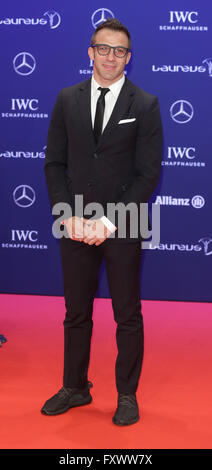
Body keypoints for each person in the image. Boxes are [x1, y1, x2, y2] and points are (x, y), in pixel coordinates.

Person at [41, 18, 163, 426]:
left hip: (122, 224)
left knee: (126, 313)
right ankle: (74, 385)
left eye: (120, 51)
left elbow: (147, 174)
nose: (112, 57)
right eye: (104, 48)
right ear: (90, 52)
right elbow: (55, 162)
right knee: (76, 310)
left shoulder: (144, 104)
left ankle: (126, 394)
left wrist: (107, 223)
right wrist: (67, 213)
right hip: (74, 222)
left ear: (129, 58)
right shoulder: (66, 98)